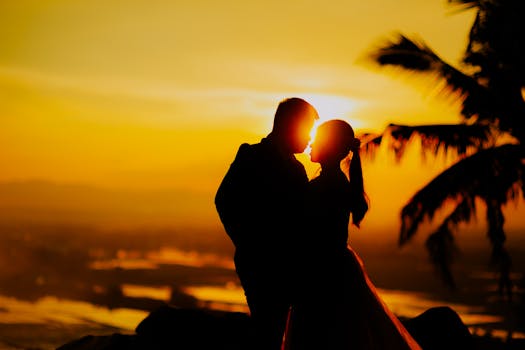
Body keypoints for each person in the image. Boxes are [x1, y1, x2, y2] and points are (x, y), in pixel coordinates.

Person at [285, 119, 422, 350]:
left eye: (317, 140)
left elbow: (305, 230)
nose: (310, 145)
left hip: (322, 273)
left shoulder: (325, 187)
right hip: (336, 269)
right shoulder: (337, 184)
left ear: (329, 147)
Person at [215, 97, 319, 350]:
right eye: (307, 130)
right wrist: (249, 242)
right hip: (260, 264)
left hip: (289, 265)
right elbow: (224, 200)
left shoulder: (297, 169)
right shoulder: (252, 155)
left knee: (278, 331)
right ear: (289, 125)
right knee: (268, 330)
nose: (310, 139)